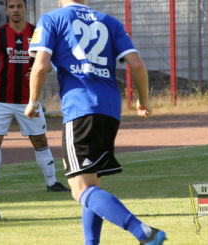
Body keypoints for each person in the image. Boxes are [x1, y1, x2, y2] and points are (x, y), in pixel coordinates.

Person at [25, 1, 166, 244]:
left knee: (80, 189)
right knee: (91, 182)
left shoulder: (53, 18)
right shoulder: (110, 22)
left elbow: (41, 65)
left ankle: (142, 231)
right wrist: (144, 100)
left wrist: (32, 101)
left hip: (80, 108)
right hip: (110, 109)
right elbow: (137, 64)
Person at [0, 0, 69, 194]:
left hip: (29, 99)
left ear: (25, 8)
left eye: (19, 6)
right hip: (0, 99)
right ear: (7, 9)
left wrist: (40, 70)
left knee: (40, 140)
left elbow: (50, 61)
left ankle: (52, 183)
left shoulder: (37, 32)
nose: (15, 10)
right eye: (12, 6)